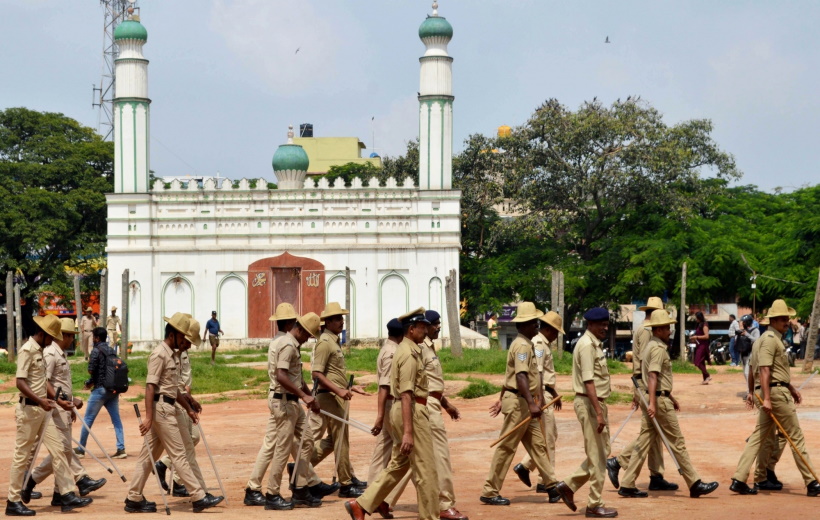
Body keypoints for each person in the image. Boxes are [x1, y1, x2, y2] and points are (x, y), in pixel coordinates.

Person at [612, 309, 719, 499]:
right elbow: (653, 376)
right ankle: (694, 482)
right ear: (658, 329)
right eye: (667, 328)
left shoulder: (651, 346)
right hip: (657, 401)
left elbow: (657, 379)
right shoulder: (658, 349)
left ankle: (627, 483)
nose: (670, 331)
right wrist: (654, 402)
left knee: (644, 441)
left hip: (655, 397)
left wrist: (669, 397)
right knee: (677, 442)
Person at [124, 312, 223, 513]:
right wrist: (149, 417)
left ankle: (133, 497)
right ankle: (198, 497)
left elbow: (173, 389)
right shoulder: (159, 354)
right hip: (161, 410)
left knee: (148, 456)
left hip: (168, 407)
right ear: (174, 334)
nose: (186, 343)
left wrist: (188, 408)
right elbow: (150, 387)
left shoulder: (172, 354)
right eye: (184, 338)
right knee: (179, 454)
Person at [344, 308, 438, 520]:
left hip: (407, 410)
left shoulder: (409, 349)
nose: (426, 330)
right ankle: (430, 516)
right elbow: (406, 394)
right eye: (422, 327)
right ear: (411, 329)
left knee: (399, 464)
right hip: (412, 411)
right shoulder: (407, 353)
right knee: (426, 470)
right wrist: (408, 431)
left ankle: (361, 504)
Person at [730, 299, 820, 497]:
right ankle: (812, 481)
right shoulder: (771, 340)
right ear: (773, 320)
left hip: (771, 391)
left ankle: (739, 478)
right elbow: (763, 369)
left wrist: (754, 392)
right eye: (782, 318)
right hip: (775, 394)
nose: (786, 321)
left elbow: (755, 368)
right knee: (795, 436)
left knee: (758, 438)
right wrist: (768, 398)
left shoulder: (762, 340)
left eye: (787, 318)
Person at [6, 314, 93, 516]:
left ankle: (67, 493)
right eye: (51, 337)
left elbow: (43, 383)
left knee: (60, 449)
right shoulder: (27, 350)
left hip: (45, 410)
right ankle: (13, 501)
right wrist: (40, 400)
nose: (53, 341)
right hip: (29, 411)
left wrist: (59, 401)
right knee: (21, 457)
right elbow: (20, 382)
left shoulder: (41, 350)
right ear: (43, 334)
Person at [390, 310, 468, 520]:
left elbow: (429, 382)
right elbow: (412, 386)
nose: (435, 328)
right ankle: (443, 504)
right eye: (432, 325)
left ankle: (381, 501)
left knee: (412, 460)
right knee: (437, 458)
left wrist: (446, 404)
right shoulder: (417, 348)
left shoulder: (428, 347)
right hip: (423, 406)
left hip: (431, 402)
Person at [481, 302, 558, 506]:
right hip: (519, 404)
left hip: (526, 402)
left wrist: (535, 400)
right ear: (524, 325)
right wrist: (532, 404)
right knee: (506, 447)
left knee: (538, 445)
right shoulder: (522, 345)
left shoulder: (528, 343)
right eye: (534, 322)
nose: (537, 326)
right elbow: (520, 375)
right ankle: (489, 491)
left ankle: (551, 485)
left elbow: (527, 376)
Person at [27, 318, 107, 504]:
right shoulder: (50, 354)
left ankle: (59, 493)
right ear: (63, 335)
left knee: (62, 450)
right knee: (62, 450)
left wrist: (69, 402)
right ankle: (35, 480)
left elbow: (61, 384)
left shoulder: (61, 353)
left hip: (64, 407)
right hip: (55, 408)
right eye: (71, 335)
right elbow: (45, 383)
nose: (73, 339)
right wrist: (62, 402)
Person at [606, 297, 677, 493]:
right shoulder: (649, 333)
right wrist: (646, 393)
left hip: (643, 384)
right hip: (647, 385)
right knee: (650, 432)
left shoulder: (640, 329)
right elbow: (649, 368)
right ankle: (619, 462)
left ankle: (656, 475)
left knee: (653, 433)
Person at [554, 307, 616, 518]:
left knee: (603, 451)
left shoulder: (594, 344)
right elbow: (589, 381)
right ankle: (594, 504)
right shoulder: (587, 346)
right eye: (601, 324)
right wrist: (598, 412)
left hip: (595, 403)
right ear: (590, 324)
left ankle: (569, 486)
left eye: (606, 324)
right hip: (590, 403)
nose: (604, 328)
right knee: (597, 456)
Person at [307, 302, 368, 498]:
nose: (341, 322)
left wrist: (350, 388)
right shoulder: (325, 342)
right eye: (337, 319)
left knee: (335, 440)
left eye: (341, 318)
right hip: (330, 396)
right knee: (341, 439)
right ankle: (345, 484)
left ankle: (301, 467)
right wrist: (339, 391)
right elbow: (317, 374)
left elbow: (334, 373)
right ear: (327, 322)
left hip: (337, 395)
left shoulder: (333, 341)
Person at [263, 312, 323, 510]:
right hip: (284, 402)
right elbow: (281, 376)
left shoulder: (293, 345)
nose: (308, 339)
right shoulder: (288, 345)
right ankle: (272, 494)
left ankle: (300, 487)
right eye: (308, 335)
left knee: (307, 442)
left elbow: (297, 378)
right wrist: (303, 396)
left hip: (293, 401)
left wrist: (309, 397)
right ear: (301, 329)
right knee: (283, 448)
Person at [514, 310, 566, 500]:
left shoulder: (541, 343)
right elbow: (538, 372)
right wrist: (543, 397)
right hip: (540, 395)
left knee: (549, 436)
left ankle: (526, 466)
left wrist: (553, 392)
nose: (556, 336)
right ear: (549, 330)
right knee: (547, 439)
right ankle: (546, 481)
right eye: (556, 332)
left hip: (545, 393)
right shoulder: (538, 344)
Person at [155, 317, 208, 499]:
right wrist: (188, 403)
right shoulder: (170, 353)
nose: (190, 346)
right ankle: (196, 492)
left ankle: (171, 475)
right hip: (172, 403)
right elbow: (175, 385)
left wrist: (189, 401)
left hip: (180, 401)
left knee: (187, 442)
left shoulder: (179, 351)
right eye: (189, 341)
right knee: (185, 446)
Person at [365, 318, 404, 515]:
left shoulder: (386, 348)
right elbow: (384, 387)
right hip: (391, 405)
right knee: (405, 455)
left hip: (389, 406)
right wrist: (380, 416)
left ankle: (370, 497)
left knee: (382, 452)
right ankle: (383, 498)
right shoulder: (392, 353)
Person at [75, 328, 126, 460]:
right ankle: (121, 449)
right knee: (116, 420)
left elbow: (92, 370)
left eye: (93, 337)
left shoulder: (96, 351)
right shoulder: (111, 351)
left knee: (88, 420)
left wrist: (91, 382)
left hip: (100, 390)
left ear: (97, 338)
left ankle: (81, 449)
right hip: (113, 390)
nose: (93, 339)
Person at [691, 311, 711, 384]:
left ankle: (707, 375)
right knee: (701, 362)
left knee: (697, 362)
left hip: (703, 345)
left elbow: (706, 336)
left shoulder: (705, 324)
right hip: (699, 345)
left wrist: (697, 337)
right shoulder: (698, 324)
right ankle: (705, 379)